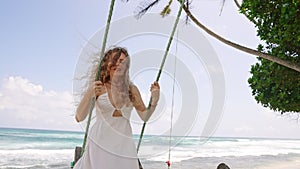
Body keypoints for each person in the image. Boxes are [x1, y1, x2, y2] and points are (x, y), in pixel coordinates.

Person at [73, 47, 160, 169]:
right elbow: (79, 117)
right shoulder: (99, 87)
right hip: (100, 144)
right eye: (114, 60)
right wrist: (89, 94)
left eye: (122, 61)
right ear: (106, 64)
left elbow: (144, 117)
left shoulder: (131, 90)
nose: (118, 63)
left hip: (124, 146)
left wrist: (155, 99)